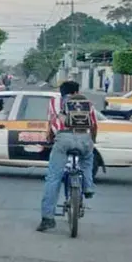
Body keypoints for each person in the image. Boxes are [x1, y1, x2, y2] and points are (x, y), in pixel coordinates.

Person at [37, 80, 97, 232]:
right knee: (87, 161)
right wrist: (92, 142)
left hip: (63, 139)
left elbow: (51, 123)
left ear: (61, 92)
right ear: (77, 92)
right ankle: (88, 187)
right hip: (84, 138)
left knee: (53, 178)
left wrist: (50, 139)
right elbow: (94, 125)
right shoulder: (87, 103)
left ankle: (47, 219)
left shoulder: (55, 102)